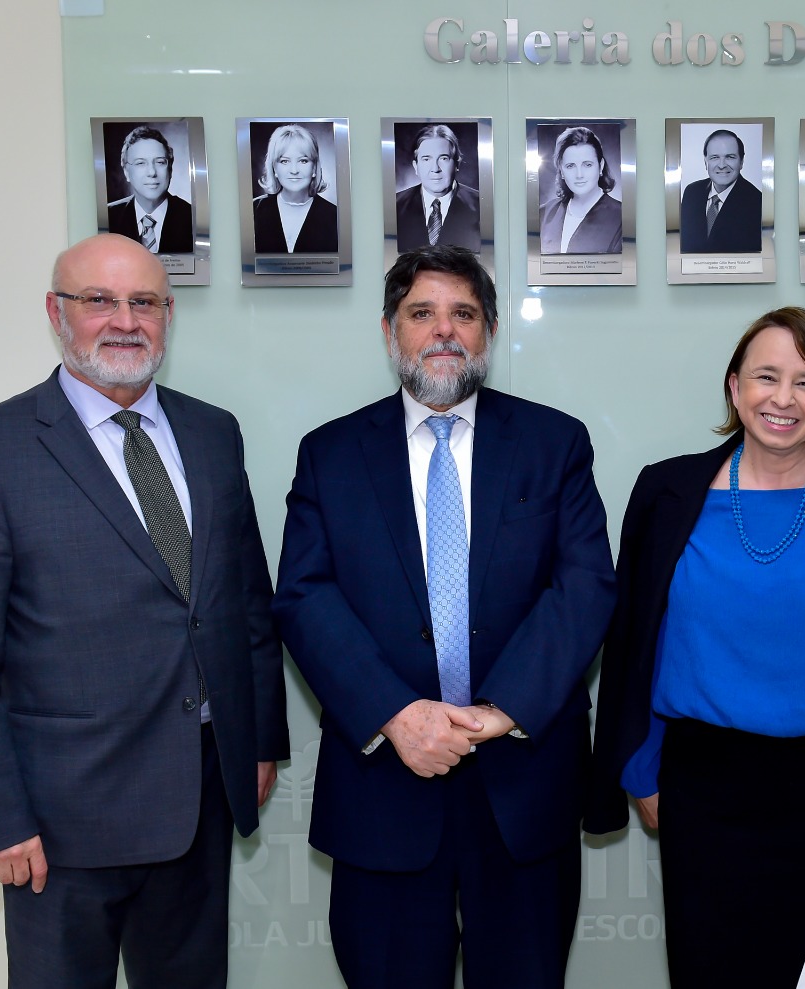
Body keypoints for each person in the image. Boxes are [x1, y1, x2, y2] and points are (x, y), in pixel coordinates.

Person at [0, 233, 290, 989]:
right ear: (57, 313)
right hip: (59, 828)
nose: (126, 320)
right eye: (100, 300)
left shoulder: (214, 434)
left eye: (144, 301)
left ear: (168, 314)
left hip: (199, 803)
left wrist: (259, 743)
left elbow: (246, 601)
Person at [273, 245, 615, 989]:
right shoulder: (331, 453)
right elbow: (304, 594)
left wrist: (500, 711)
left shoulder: (554, 443)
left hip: (522, 783)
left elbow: (584, 586)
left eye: (463, 314)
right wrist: (396, 714)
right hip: (384, 790)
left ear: (489, 330)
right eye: (421, 313)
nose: (443, 331)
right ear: (391, 330)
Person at [586, 307, 805, 988]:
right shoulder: (668, 491)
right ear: (734, 385)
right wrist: (644, 769)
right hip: (701, 790)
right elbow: (639, 642)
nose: (782, 398)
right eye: (766, 376)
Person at [107, 125, 195, 254]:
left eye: (160, 162)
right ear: (126, 172)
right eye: (140, 163)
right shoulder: (110, 216)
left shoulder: (192, 218)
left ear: (170, 168)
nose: (152, 172)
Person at [252, 123, 339, 254]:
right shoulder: (254, 210)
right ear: (274, 168)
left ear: (314, 168)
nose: (294, 170)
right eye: (284, 161)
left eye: (303, 161)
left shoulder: (335, 216)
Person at [395, 124, 482, 253]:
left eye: (443, 158)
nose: (435, 169)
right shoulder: (395, 205)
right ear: (415, 166)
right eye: (426, 159)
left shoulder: (481, 205)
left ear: (457, 164)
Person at [539, 126, 623, 255]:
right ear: (561, 171)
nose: (579, 175)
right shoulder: (543, 213)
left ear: (600, 166)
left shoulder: (621, 218)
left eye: (587, 165)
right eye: (570, 166)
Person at [678, 128, 763, 254]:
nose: (722, 165)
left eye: (730, 157)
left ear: (741, 162)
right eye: (714, 157)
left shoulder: (757, 202)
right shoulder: (691, 192)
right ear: (705, 161)